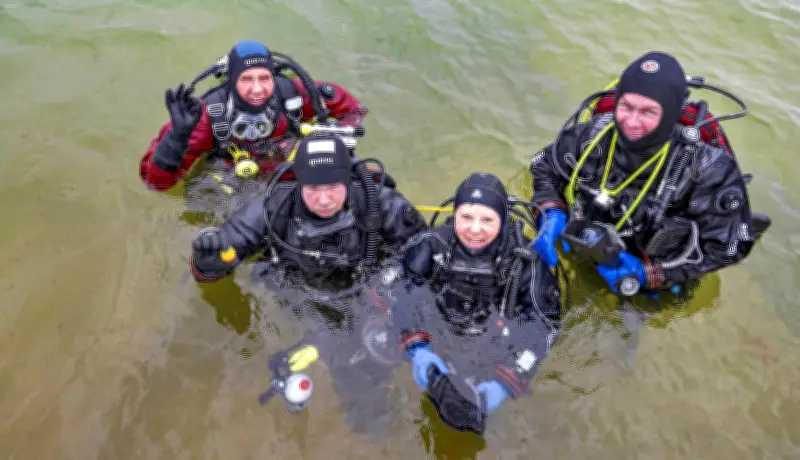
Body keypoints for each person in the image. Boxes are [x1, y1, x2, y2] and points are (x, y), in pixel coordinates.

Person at [188, 134, 425, 438]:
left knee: (383, 361)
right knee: (347, 377)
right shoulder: (273, 208)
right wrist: (208, 260)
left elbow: (423, 253)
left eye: (333, 187)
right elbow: (221, 259)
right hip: (302, 294)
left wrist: (386, 290)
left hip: (370, 290)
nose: (324, 200)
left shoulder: (376, 201)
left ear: (348, 180)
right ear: (299, 182)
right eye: (313, 189)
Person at [529, 51, 771, 298]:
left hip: (659, 271)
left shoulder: (707, 168)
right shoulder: (593, 135)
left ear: (670, 114)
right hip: (587, 241)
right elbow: (543, 165)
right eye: (626, 107)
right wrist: (551, 210)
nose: (632, 123)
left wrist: (653, 274)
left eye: (648, 112)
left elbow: (731, 246)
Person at [390, 173, 562, 435]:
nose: (475, 229)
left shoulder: (525, 261)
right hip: (441, 335)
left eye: (487, 219)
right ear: (455, 214)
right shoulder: (431, 245)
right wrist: (417, 347)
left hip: (498, 343)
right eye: (466, 217)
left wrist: (509, 380)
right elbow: (403, 292)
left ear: (502, 219)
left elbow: (545, 323)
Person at [138, 40, 367, 198]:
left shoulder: (293, 95)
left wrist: (331, 139)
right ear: (231, 81)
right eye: (246, 79)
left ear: (274, 77)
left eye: (264, 78)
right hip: (229, 179)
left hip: (287, 168)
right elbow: (156, 183)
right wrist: (175, 139)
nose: (257, 89)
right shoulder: (206, 117)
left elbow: (353, 110)